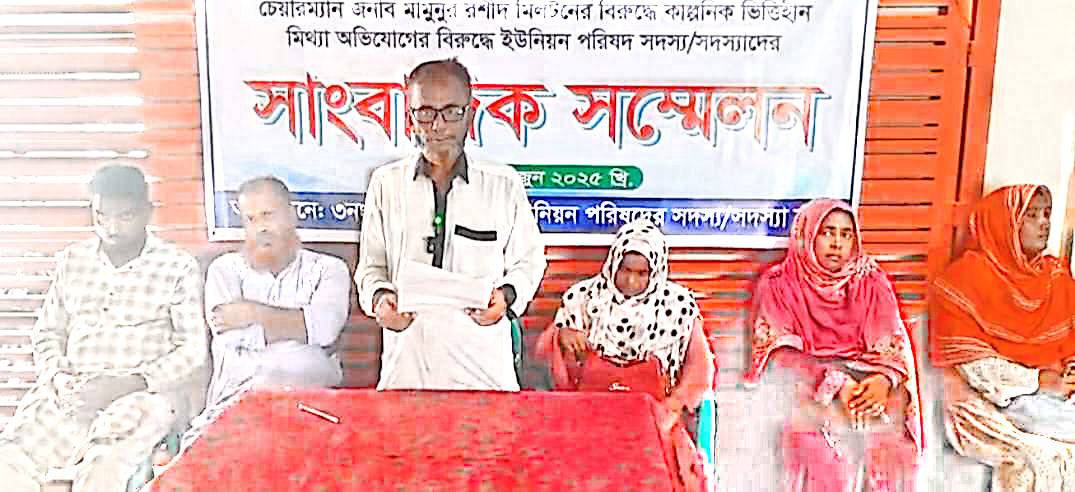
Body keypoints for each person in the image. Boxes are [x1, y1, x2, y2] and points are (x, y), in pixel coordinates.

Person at [0, 165, 207, 491]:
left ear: (147, 212)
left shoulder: (177, 266)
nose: (111, 228)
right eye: (101, 216)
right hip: (73, 394)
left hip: (142, 395)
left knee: (102, 467)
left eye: (125, 216)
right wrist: (58, 377)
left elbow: (193, 350)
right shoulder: (72, 261)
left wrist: (131, 383)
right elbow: (47, 333)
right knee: (10, 458)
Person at [355, 58, 547, 391]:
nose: (438, 125)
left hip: (482, 360)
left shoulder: (502, 184)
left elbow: (529, 262)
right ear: (409, 117)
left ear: (471, 114)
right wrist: (380, 300)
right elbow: (371, 266)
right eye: (425, 113)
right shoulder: (386, 183)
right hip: (408, 357)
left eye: (451, 112)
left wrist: (506, 297)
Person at [743, 199, 922, 491]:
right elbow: (778, 355)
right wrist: (835, 383)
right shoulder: (778, 284)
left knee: (890, 449)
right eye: (827, 232)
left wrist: (883, 379)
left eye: (845, 234)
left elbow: (892, 342)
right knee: (827, 459)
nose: (837, 243)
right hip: (804, 388)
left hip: (865, 386)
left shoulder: (870, 281)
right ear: (807, 235)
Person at [535, 219, 713, 491]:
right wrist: (561, 335)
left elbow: (700, 368)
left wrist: (673, 407)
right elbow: (542, 355)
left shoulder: (677, 306)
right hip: (587, 419)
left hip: (654, 418)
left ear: (656, 271)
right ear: (613, 263)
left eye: (642, 273)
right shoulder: (583, 298)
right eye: (625, 270)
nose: (631, 281)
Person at [183, 176, 350, 444]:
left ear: (291, 216)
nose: (260, 228)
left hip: (312, 405)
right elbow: (231, 336)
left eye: (268, 216)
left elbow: (324, 329)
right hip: (236, 404)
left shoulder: (329, 269)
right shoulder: (224, 270)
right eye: (250, 219)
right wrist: (299, 327)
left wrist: (252, 314)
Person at [931, 184, 1075, 490]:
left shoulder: (1056, 278)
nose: (1044, 223)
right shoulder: (963, 281)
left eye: (1047, 214)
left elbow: (1069, 341)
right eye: (1031, 215)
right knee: (1044, 459)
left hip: (1051, 399)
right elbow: (975, 368)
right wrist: (1037, 380)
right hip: (982, 400)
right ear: (1003, 223)